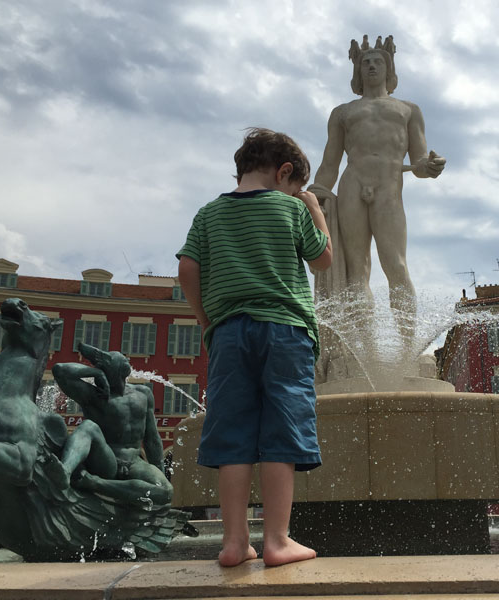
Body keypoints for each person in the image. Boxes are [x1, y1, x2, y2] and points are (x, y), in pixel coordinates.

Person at [177, 128, 332, 567]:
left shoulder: (208, 213)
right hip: (285, 331)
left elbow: (188, 270)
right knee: (283, 429)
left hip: (228, 332)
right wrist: (314, 208)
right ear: (285, 173)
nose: (299, 195)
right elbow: (323, 260)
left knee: (233, 434)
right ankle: (278, 542)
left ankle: (233, 543)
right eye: (297, 186)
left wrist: (209, 322)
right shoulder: (290, 207)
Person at [310, 35, 445, 358]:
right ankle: (366, 352)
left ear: (389, 68)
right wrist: (313, 196)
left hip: (388, 188)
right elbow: (330, 163)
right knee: (357, 270)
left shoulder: (408, 110)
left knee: (396, 265)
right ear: (357, 69)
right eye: (365, 61)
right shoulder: (342, 113)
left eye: (378, 61)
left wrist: (431, 166)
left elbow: (420, 161)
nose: (371, 65)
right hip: (351, 186)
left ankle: (408, 347)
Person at [50, 342, 173, 508]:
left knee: (165, 492)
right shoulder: (95, 395)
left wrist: (161, 473)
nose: (125, 360)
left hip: (135, 462)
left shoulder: (143, 394)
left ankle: (93, 483)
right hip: (108, 461)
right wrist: (94, 372)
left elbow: (152, 439)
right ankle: (63, 472)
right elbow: (59, 370)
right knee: (88, 427)